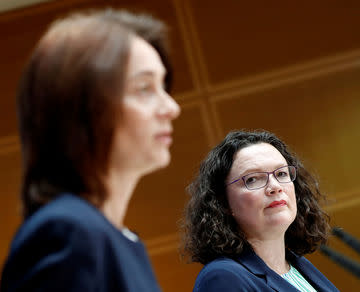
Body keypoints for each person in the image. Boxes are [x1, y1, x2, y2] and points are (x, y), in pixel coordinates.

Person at [1, 8, 180, 291]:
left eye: (163, 86)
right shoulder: (68, 233)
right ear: (83, 109)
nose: (172, 108)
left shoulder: (118, 239)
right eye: (145, 88)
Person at [182, 130, 339, 291]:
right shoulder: (222, 278)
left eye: (281, 173)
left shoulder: (298, 266)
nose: (275, 187)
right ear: (223, 202)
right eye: (252, 179)